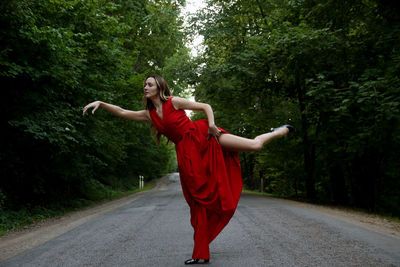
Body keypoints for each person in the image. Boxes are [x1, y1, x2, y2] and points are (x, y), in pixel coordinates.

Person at [83, 74, 294, 264]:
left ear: (159, 87)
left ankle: (277, 132)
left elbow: (205, 106)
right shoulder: (149, 114)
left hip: (205, 137)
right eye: (144, 85)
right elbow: (121, 111)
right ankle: (200, 252)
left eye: (149, 84)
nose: (145, 87)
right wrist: (101, 103)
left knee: (254, 146)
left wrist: (211, 125)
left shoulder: (173, 102)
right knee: (198, 201)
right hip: (187, 156)